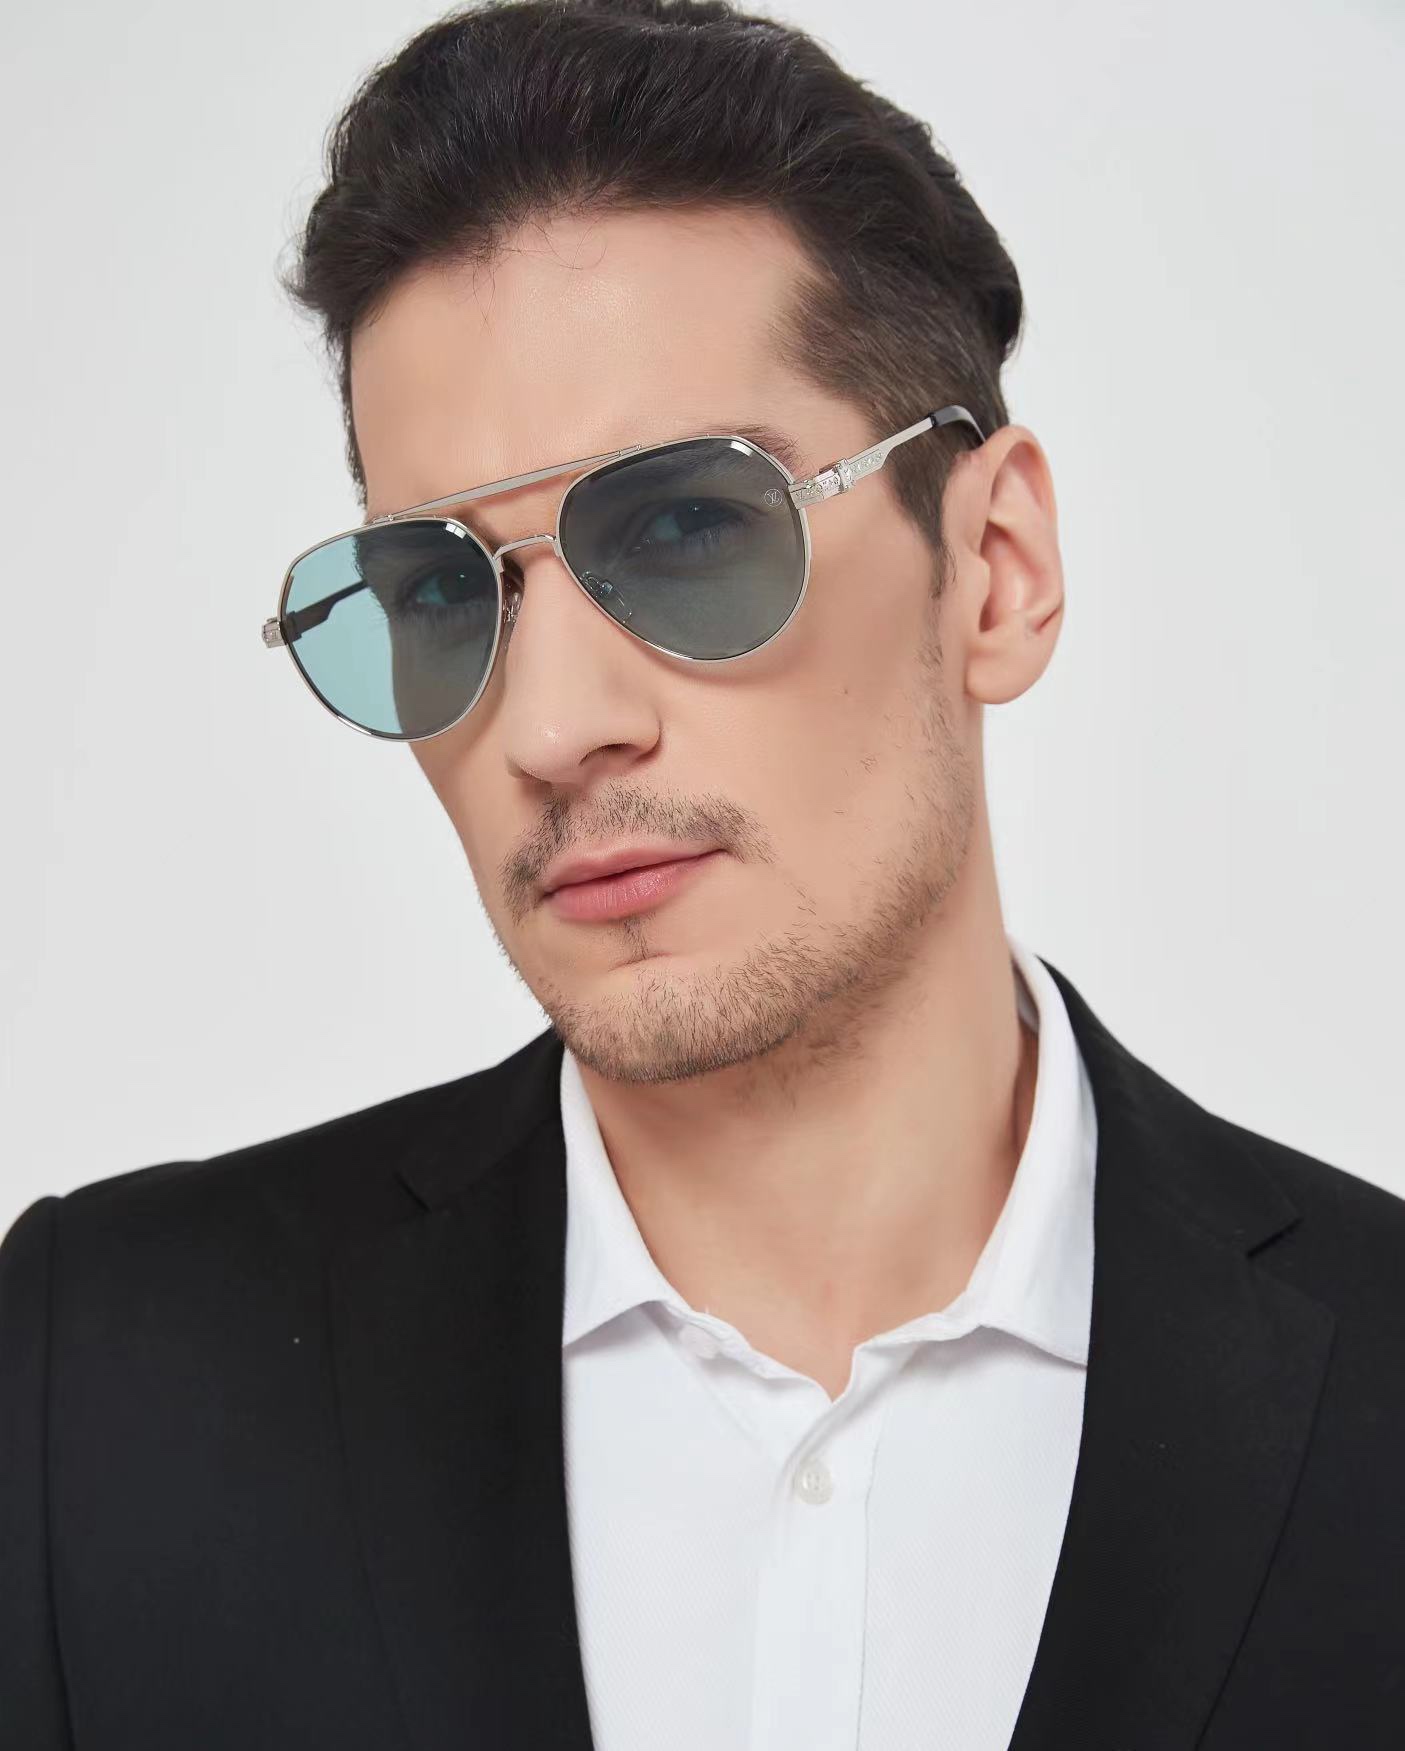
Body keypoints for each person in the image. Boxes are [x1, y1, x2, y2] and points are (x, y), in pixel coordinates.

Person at [2, 1, 1402, 1745]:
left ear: (994, 569)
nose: (550, 728)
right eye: (440, 592)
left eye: (684, 530)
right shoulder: (94, 1381)